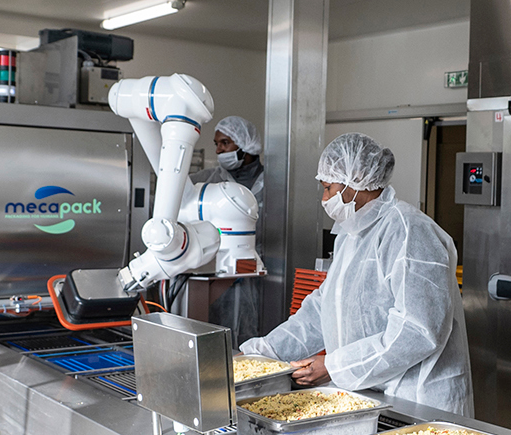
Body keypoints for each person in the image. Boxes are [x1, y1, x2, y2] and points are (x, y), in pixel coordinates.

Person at [240, 133, 473, 416]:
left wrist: (334, 367)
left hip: (420, 401)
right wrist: (262, 353)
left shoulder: (409, 231)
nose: (324, 198)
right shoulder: (350, 234)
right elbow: (321, 311)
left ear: (356, 180)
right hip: (367, 394)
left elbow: (417, 331)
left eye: (328, 188)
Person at [192, 116, 265, 344]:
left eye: (225, 143)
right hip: (216, 272)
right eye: (217, 144)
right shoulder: (208, 180)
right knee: (216, 334)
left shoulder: (274, 183)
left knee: (254, 334)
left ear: (246, 146)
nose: (219, 150)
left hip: (260, 275)